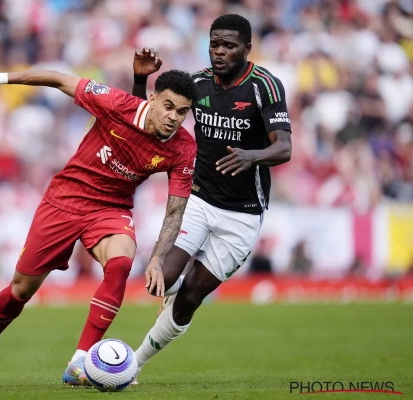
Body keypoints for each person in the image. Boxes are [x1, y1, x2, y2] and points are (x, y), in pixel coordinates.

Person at [0, 66, 199, 387]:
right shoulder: (115, 103)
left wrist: (157, 260)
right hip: (65, 200)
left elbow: (175, 210)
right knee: (20, 290)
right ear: (152, 99)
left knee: (121, 263)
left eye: (182, 111)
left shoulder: (184, 148)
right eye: (168, 106)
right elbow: (58, 79)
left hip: (111, 208)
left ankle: (79, 360)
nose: (173, 117)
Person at [129, 14, 292, 382]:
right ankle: (162, 307)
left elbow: (284, 147)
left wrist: (252, 156)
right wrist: (140, 81)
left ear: (247, 49)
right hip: (198, 200)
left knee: (191, 296)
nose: (219, 51)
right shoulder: (198, 84)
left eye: (228, 45)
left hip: (243, 214)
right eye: (214, 44)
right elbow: (146, 126)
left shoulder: (265, 86)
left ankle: (134, 363)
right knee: (160, 279)